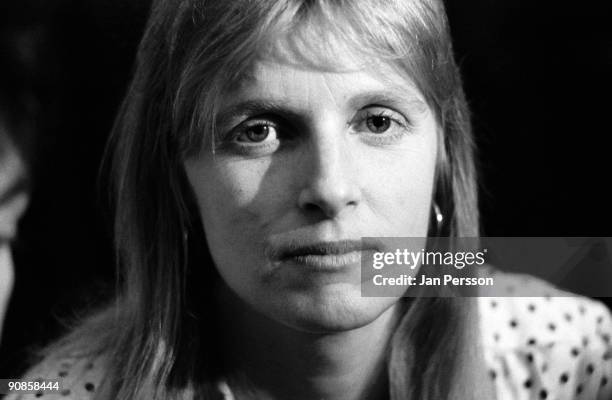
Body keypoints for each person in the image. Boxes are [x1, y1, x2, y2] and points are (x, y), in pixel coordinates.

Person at [7, 1, 612, 399]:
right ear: (178, 179)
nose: (329, 188)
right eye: (259, 131)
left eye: (377, 122)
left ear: (443, 156)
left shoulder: (575, 360)